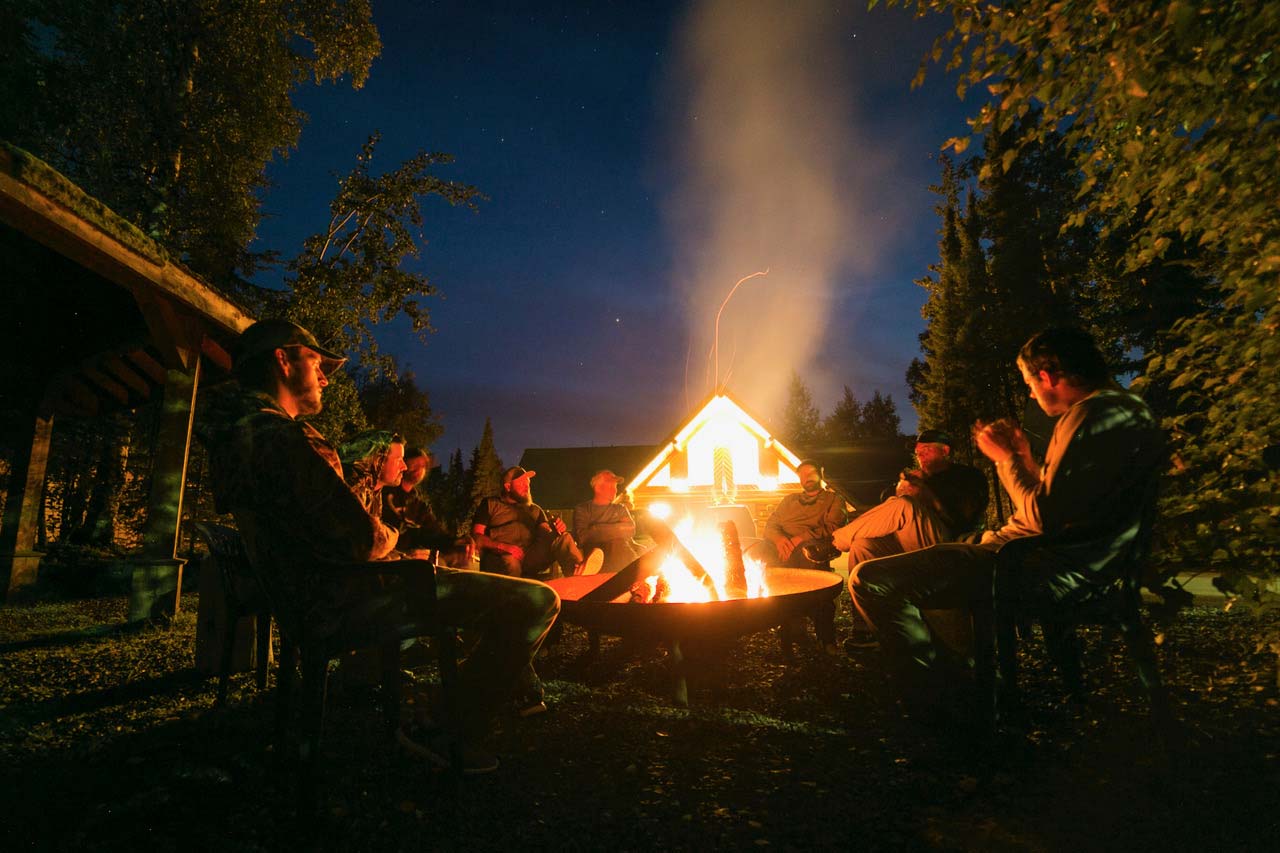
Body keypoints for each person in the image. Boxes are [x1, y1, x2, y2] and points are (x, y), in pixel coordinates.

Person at [199, 319, 560, 772]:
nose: (326, 377)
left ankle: (460, 700)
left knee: (474, 584)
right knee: (536, 600)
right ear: (283, 359)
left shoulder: (239, 435)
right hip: (344, 600)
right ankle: (442, 724)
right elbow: (363, 538)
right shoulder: (284, 440)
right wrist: (396, 544)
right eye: (316, 362)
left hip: (306, 599)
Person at [847, 327, 1162, 706]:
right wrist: (1026, 458)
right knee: (904, 553)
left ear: (1046, 376)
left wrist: (1006, 459)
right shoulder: (1129, 411)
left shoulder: (1087, 416)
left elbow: (1043, 518)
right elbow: (1059, 502)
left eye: (1030, 382)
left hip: (1036, 566)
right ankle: (954, 669)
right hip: (1087, 562)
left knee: (871, 578)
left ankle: (938, 692)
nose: (1030, 392)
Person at [827, 429, 989, 566]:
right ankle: (867, 598)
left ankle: (832, 544)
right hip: (912, 542)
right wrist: (900, 491)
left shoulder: (967, 476)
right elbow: (889, 509)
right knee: (862, 546)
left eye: (926, 450)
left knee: (905, 504)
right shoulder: (920, 478)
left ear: (945, 451)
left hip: (952, 543)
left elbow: (963, 520)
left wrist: (925, 495)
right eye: (918, 453)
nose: (921, 456)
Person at [758, 460, 847, 653]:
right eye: (802, 474)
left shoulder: (833, 499)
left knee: (811, 581)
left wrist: (799, 538)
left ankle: (825, 637)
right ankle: (788, 627)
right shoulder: (789, 500)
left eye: (811, 473)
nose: (807, 478)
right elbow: (771, 525)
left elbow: (833, 527)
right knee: (762, 555)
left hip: (812, 548)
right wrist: (780, 539)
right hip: (783, 548)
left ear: (821, 473)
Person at [472, 467, 600, 579]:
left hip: (528, 558)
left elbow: (546, 533)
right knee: (510, 560)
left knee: (563, 538)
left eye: (527, 483)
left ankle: (579, 574)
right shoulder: (490, 504)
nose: (527, 486)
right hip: (499, 558)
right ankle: (515, 601)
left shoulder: (535, 510)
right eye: (521, 482)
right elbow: (477, 537)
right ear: (508, 486)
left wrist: (556, 529)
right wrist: (504, 547)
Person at [381, 447, 473, 566]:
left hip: (407, 564)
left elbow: (433, 533)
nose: (419, 469)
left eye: (423, 465)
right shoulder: (384, 493)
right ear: (404, 463)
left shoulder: (419, 506)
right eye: (415, 463)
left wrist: (457, 541)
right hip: (384, 561)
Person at [572, 469, 640, 573]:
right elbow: (582, 537)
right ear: (598, 488)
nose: (615, 490)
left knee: (619, 544)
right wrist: (618, 529)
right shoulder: (583, 509)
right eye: (611, 486)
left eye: (615, 486)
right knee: (617, 543)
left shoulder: (620, 508)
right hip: (596, 558)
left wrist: (596, 528)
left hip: (623, 555)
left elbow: (630, 529)